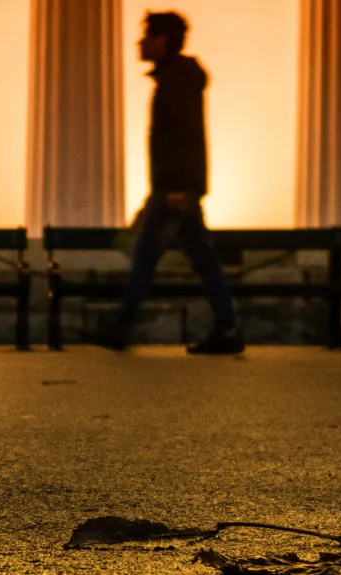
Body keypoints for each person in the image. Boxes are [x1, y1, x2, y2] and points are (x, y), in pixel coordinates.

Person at [105, 11, 243, 355]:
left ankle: (120, 327)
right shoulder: (176, 79)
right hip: (176, 187)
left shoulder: (176, 81)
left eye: (146, 36)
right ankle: (227, 328)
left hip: (174, 189)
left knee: (146, 253)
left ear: (162, 40)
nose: (139, 42)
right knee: (203, 259)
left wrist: (177, 188)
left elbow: (183, 138)